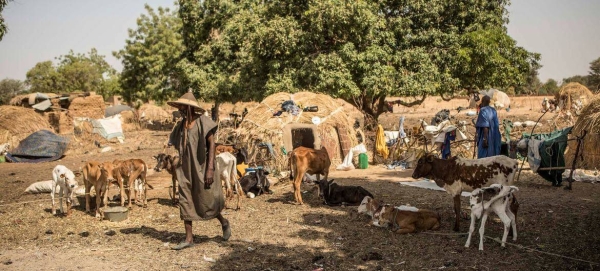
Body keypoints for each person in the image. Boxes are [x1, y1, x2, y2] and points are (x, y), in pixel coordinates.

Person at [167, 90, 231, 250]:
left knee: (206, 199)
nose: (180, 109)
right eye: (179, 106)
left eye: (182, 107)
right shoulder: (181, 125)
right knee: (185, 199)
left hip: (202, 167)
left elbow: (212, 145)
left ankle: (224, 222)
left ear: (189, 108)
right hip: (186, 169)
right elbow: (176, 143)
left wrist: (210, 169)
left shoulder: (203, 121)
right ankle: (189, 238)